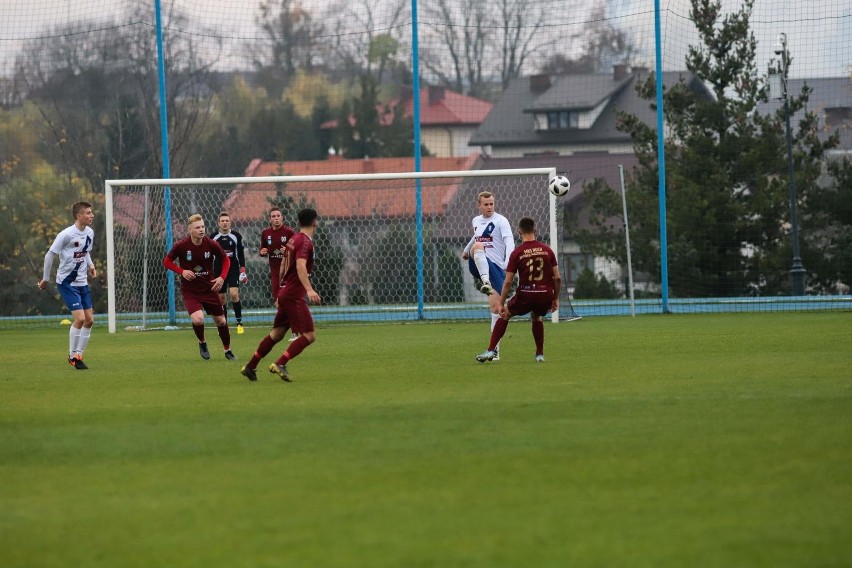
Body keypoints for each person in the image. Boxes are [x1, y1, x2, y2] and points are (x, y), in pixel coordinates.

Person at [241, 208, 321, 382]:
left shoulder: (294, 239)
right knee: (309, 335)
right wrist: (309, 289)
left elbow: (284, 262)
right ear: (315, 221)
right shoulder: (305, 242)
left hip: (286, 292)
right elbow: (300, 265)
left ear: (299, 222)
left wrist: (282, 286)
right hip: (293, 295)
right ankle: (280, 363)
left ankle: (250, 366)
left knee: (276, 334)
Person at [476, 217, 561, 363]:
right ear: (535, 231)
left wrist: (501, 303)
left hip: (525, 294)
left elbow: (508, 281)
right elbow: (557, 278)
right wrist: (555, 298)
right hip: (544, 294)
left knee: (505, 315)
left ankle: (491, 350)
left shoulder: (517, 253)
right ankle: (539, 355)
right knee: (536, 317)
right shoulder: (548, 250)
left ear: (519, 232)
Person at [162, 214, 237, 361]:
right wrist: (182, 271)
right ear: (190, 230)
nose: (201, 230)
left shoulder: (210, 244)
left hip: (209, 289)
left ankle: (227, 350)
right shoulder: (181, 245)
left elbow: (226, 260)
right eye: (197, 227)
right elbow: (167, 261)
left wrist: (222, 277)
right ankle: (202, 343)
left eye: (203, 226)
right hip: (191, 291)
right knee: (198, 319)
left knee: (221, 321)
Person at [37, 201, 97, 370]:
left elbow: (85, 252)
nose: (91, 215)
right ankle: (72, 356)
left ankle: (79, 354)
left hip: (82, 282)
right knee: (80, 319)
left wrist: (91, 265)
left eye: (91, 212)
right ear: (79, 216)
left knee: (90, 320)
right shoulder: (66, 234)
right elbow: (50, 255)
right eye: (88, 213)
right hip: (67, 282)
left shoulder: (90, 232)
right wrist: (45, 279)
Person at [461, 191, 514, 361]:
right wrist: (465, 250)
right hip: (478, 265)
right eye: (486, 204)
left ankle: (495, 352)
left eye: (492, 203)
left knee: (496, 309)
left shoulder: (501, 221)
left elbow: (509, 241)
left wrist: (508, 262)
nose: (490, 207)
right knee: (477, 246)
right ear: (479, 205)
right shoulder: (476, 220)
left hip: (496, 268)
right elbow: (477, 238)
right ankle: (485, 281)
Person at [259, 207, 299, 342]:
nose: (276, 218)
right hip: (275, 272)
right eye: (273, 216)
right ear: (270, 219)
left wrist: (289, 250)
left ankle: (295, 332)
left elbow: (297, 249)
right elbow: (262, 248)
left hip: (289, 272)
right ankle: (286, 328)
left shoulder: (289, 232)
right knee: (278, 302)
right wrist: (262, 252)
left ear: (282, 218)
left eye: (278, 216)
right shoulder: (265, 233)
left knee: (289, 301)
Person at [211, 212, 247, 334]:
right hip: (219, 269)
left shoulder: (236, 236)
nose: (225, 223)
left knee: (233, 294)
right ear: (218, 223)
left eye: (227, 220)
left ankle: (239, 323)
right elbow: (210, 256)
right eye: (222, 221)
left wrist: (243, 269)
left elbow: (240, 254)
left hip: (233, 268)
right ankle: (224, 325)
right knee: (221, 298)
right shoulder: (213, 237)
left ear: (230, 222)